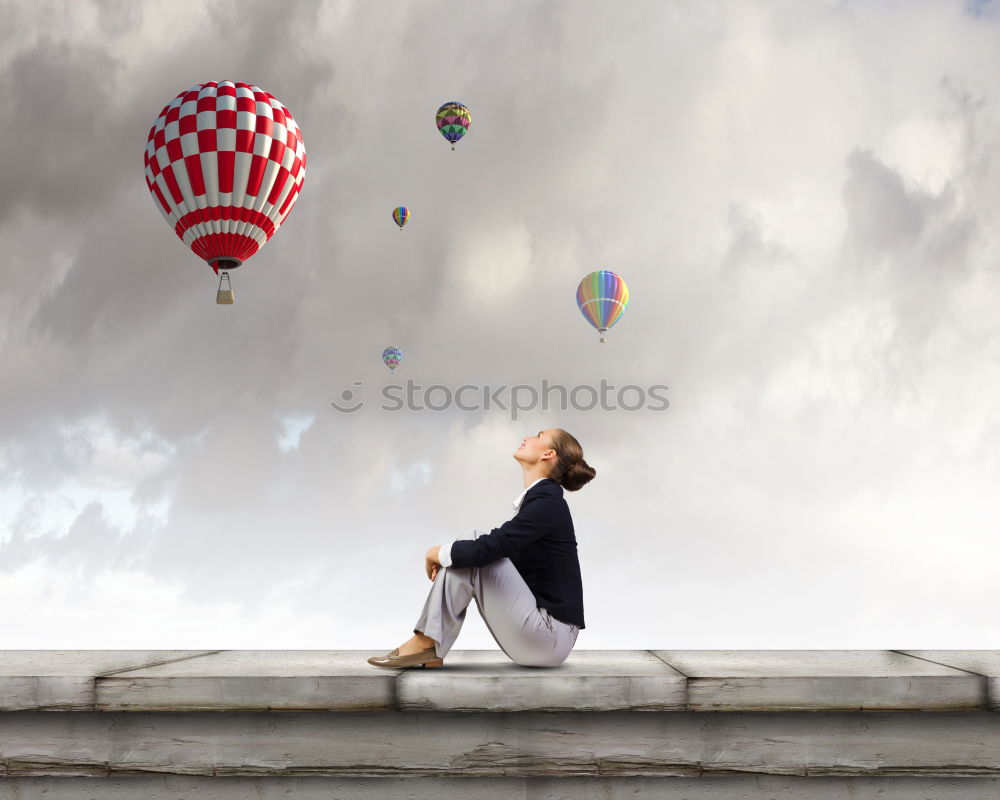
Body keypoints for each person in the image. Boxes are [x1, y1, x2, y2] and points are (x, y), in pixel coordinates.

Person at [367, 428, 596, 669]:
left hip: (550, 636)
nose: (528, 437)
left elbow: (491, 546)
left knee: (474, 544)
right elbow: (492, 552)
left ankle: (426, 643)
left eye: (538, 436)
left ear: (548, 453)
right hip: (543, 638)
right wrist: (451, 563)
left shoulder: (548, 503)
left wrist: (437, 553)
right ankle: (428, 647)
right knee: (469, 554)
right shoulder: (543, 501)